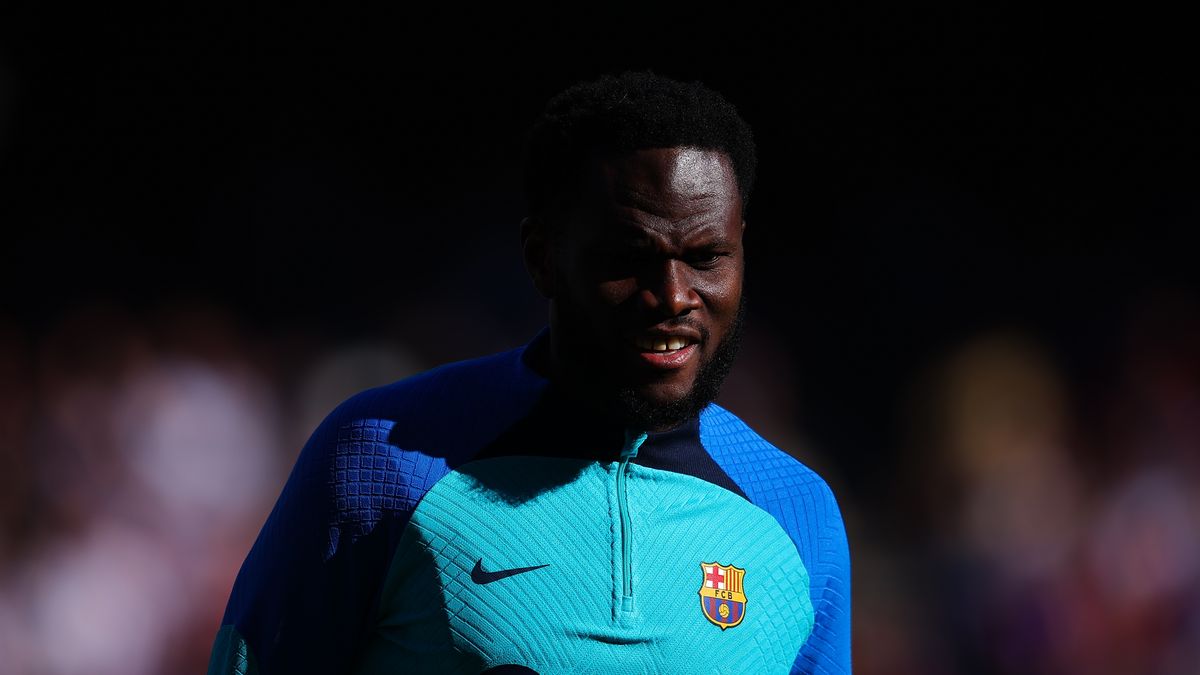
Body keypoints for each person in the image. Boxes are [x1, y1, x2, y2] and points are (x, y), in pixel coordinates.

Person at [208, 71, 851, 674]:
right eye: (629, 258)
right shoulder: (379, 460)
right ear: (542, 259)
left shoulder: (796, 511)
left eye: (707, 256)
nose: (674, 295)